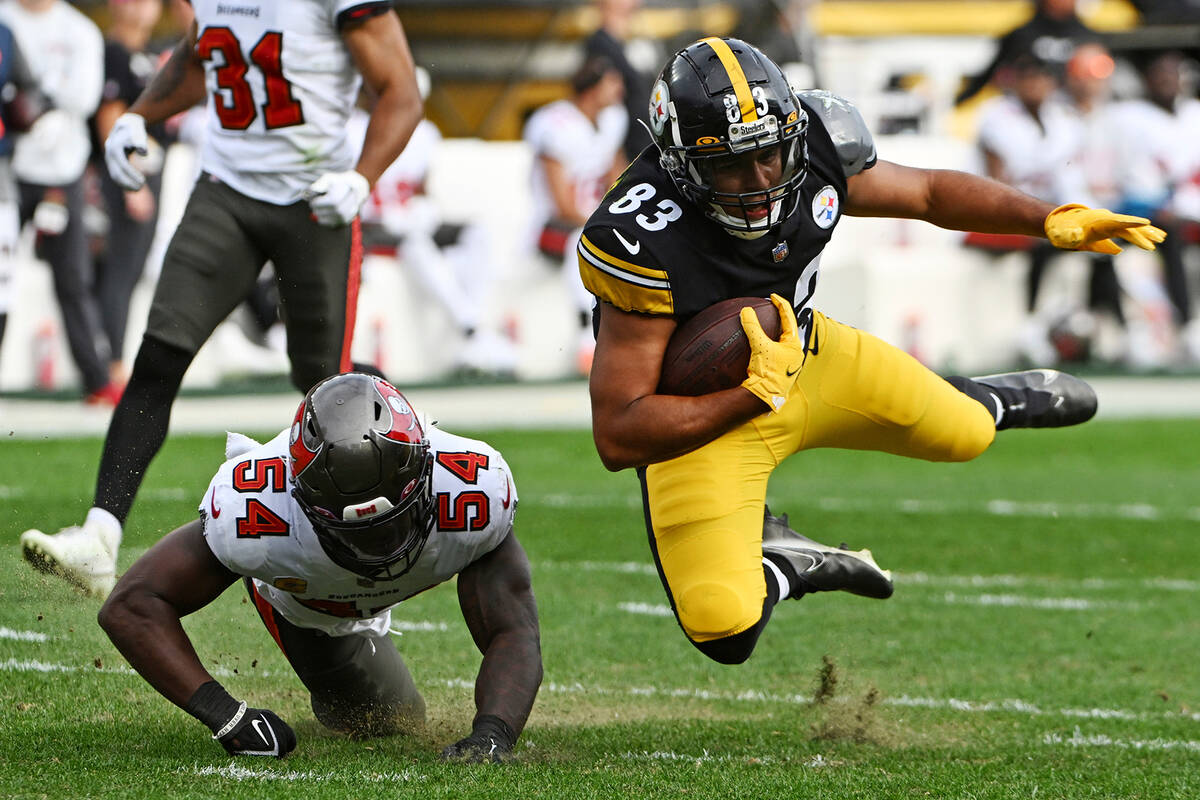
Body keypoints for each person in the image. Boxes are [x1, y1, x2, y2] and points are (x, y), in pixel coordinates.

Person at [578, 37, 1165, 666]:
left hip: (810, 357)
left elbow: (931, 194)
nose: (757, 183)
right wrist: (748, 395)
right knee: (724, 628)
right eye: (728, 166)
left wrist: (1048, 218)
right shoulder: (637, 236)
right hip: (704, 420)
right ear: (680, 164)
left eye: (770, 156)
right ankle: (785, 560)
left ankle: (983, 397)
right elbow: (618, 435)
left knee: (963, 434)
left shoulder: (818, 144)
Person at [20, 0, 424, 598]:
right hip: (227, 192)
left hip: (316, 198)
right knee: (159, 357)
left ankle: (391, 517)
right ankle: (99, 538)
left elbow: (402, 90)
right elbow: (200, 55)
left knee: (324, 388)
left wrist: (362, 176)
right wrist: (138, 115)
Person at [98, 372, 542, 761]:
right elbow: (133, 604)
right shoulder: (257, 512)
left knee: (406, 717)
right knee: (386, 718)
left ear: (424, 472)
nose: (377, 548)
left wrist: (492, 736)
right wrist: (227, 716)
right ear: (300, 497)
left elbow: (514, 629)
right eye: (359, 533)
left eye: (391, 525)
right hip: (315, 608)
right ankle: (273, 595)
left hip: (324, 574)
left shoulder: (471, 487)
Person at [0, 0, 119, 404]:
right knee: (1, 278)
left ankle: (96, 378)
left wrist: (39, 105)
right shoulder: (5, 20)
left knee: (73, 279)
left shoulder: (79, 30)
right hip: (8, 168)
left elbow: (84, 97)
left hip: (61, 170)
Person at [524, 55, 627, 374]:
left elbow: (619, 178)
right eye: (612, 82)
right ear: (592, 89)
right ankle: (588, 334)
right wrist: (601, 221)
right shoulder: (554, 124)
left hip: (592, 218)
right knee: (580, 242)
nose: (619, 89)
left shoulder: (613, 120)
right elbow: (561, 204)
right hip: (552, 225)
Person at [92, 0, 173, 386]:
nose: (142, 7)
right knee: (122, 270)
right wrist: (130, 178)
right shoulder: (111, 51)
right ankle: (113, 365)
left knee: (134, 268)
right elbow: (110, 112)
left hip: (150, 169)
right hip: (128, 172)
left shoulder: (148, 54)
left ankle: (114, 360)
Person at [955, 0, 1097, 107]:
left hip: (1073, 114)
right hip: (1025, 115)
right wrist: (959, 100)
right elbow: (988, 75)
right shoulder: (1021, 35)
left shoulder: (1089, 37)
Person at [584, 0, 654, 162]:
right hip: (627, 148)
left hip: (644, 141)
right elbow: (603, 101)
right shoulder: (600, 45)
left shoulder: (633, 43)